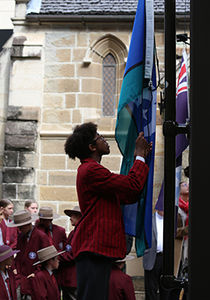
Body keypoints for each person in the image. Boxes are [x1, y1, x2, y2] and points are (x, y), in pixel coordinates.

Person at [64, 122, 151, 300]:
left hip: (97, 249)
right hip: (93, 247)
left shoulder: (93, 170)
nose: (105, 140)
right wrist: (140, 157)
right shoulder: (90, 170)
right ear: (92, 147)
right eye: (100, 138)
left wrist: (139, 160)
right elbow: (132, 187)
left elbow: (128, 195)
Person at [8, 209, 51, 298]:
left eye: (21, 227)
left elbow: (47, 259)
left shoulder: (41, 237)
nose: (19, 229)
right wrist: (14, 267)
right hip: (21, 279)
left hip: (34, 279)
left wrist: (37, 273)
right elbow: (19, 255)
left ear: (28, 224)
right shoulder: (21, 237)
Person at [35, 206, 67, 291]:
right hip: (41, 269)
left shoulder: (60, 231)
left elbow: (65, 249)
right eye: (42, 219)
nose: (43, 221)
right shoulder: (36, 231)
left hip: (57, 268)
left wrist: (55, 258)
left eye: (47, 220)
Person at [143, 209, 170, 300]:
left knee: (166, 288)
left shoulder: (171, 220)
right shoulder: (149, 219)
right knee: (151, 289)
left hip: (166, 258)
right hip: (152, 258)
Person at [59, 206, 82, 300]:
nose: (70, 218)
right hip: (67, 278)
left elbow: (73, 254)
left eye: (73, 216)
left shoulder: (80, 233)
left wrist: (56, 256)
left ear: (79, 217)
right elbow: (67, 250)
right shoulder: (73, 232)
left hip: (74, 279)